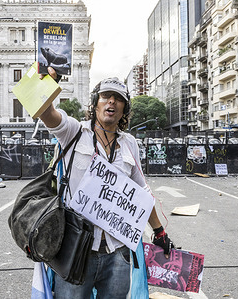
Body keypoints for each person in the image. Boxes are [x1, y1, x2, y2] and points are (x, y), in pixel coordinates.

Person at [38, 68, 175, 298]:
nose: (112, 101)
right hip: (75, 251)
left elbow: (141, 193)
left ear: (124, 110)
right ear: (95, 104)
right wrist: (48, 83)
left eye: (119, 98)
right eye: (106, 96)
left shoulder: (129, 143)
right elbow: (45, 111)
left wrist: (159, 232)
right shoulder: (73, 131)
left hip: (117, 253)